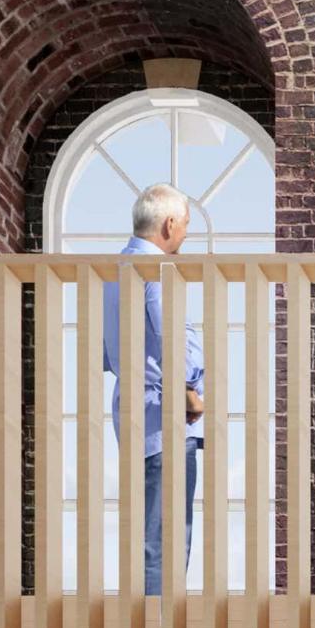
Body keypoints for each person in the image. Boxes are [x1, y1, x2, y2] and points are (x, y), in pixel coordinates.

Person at [110, 182, 210, 595]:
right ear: (169, 224)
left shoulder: (114, 271)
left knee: (151, 531)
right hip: (164, 415)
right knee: (168, 536)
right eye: (185, 225)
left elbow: (106, 350)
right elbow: (170, 334)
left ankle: (150, 626)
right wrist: (187, 387)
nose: (185, 235)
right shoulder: (157, 270)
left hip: (134, 411)